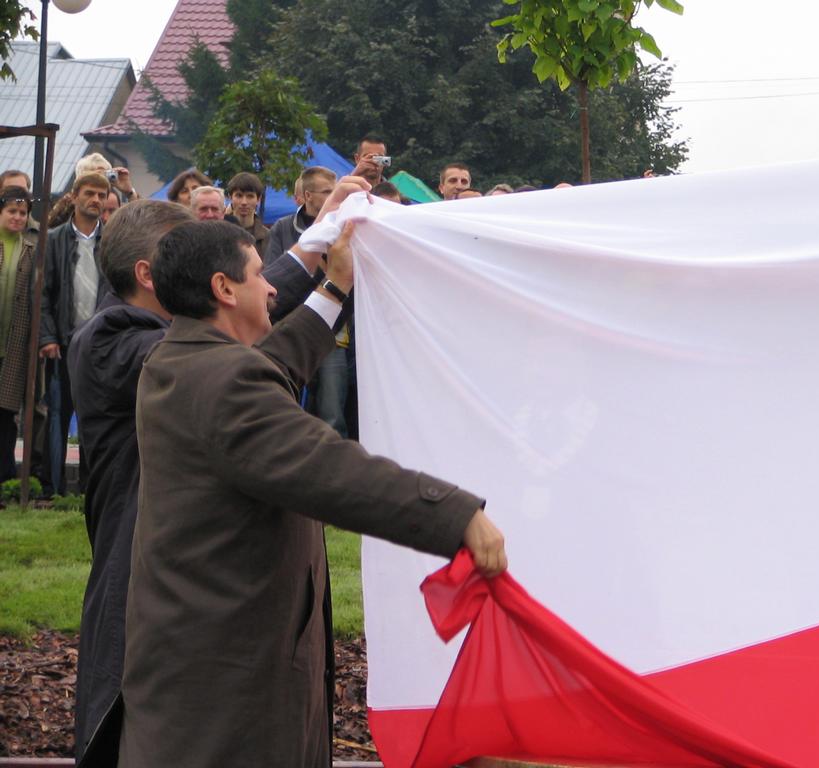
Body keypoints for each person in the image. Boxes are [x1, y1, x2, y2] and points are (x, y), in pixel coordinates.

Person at [115, 212, 506, 767]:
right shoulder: (224, 382)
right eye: (258, 274)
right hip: (229, 694)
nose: (271, 287)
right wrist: (454, 515)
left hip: (200, 669)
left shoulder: (182, 360)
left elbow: (270, 367)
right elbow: (327, 468)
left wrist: (335, 286)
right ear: (224, 288)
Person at [68, 194, 336, 765]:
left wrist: (320, 236)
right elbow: (246, 363)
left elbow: (245, 326)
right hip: (147, 598)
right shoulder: (115, 340)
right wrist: (330, 285)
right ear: (150, 274)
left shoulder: (175, 339)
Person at [39, 172, 111, 495]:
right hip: (62, 343)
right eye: (89, 193)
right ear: (75, 195)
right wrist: (47, 337)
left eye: (101, 195)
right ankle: (52, 489)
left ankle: (89, 490)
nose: (95, 200)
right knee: (57, 415)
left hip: (99, 345)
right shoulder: (53, 239)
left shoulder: (111, 241)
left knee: (94, 418)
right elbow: (42, 293)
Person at [0, 186, 34, 482]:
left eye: (23, 213)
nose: (18, 217)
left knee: (6, 413)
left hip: (14, 345)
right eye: (12, 211)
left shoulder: (31, 250)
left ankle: (6, 477)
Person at [265, 166, 337, 265]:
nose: (334, 196)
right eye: (327, 192)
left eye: (335, 192)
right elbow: (271, 270)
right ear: (308, 195)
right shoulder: (282, 227)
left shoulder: (342, 226)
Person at [226, 171, 270, 259]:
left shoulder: (269, 237)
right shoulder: (218, 232)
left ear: (258, 199)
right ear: (230, 197)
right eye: (239, 196)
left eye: (250, 196)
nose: (244, 202)